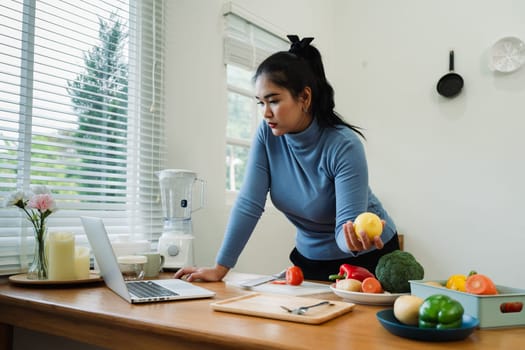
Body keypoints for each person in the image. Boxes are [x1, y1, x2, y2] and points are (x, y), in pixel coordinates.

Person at [174, 35, 399, 282]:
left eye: (274, 101)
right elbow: (249, 203)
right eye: (261, 102)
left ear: (304, 98)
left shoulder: (344, 145)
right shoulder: (268, 135)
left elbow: (343, 228)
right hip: (309, 260)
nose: (266, 112)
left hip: (366, 261)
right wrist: (220, 268)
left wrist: (354, 241)